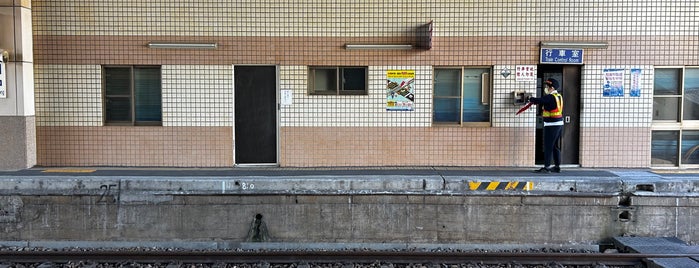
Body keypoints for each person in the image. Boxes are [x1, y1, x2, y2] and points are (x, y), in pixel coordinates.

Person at [528, 78, 563, 173]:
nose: (546, 88)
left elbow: (539, 100)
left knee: (548, 146)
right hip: (558, 124)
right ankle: (557, 166)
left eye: (547, 87)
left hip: (551, 125)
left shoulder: (550, 97)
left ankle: (547, 167)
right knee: (555, 146)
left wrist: (529, 98)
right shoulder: (558, 96)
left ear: (552, 88)